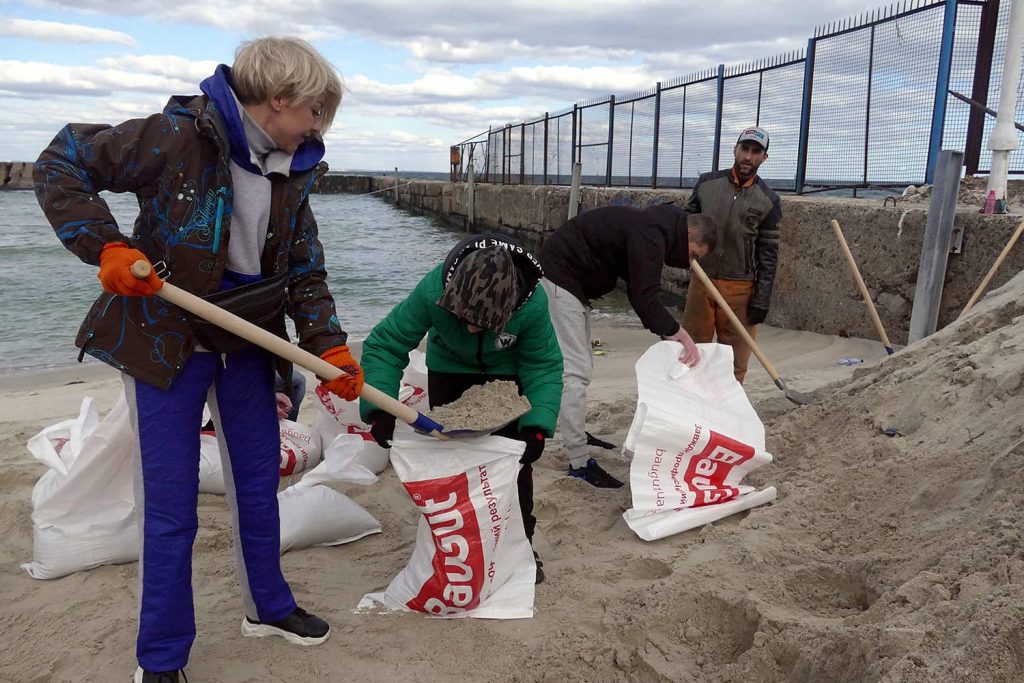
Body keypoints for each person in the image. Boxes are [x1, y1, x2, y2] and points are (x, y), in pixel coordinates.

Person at [33, 37, 363, 683]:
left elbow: (303, 267)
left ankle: (267, 608)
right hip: (165, 342)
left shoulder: (296, 170)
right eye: (316, 113)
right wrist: (104, 247)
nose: (319, 128)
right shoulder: (173, 136)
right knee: (169, 506)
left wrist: (328, 345)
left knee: (258, 487)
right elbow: (61, 159)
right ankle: (160, 658)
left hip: (248, 341)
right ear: (279, 98)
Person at [358, 233, 563, 583]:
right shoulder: (430, 291)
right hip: (449, 370)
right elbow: (386, 345)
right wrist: (380, 409)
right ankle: (460, 544)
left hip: (506, 374)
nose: (470, 328)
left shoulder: (532, 305)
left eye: (481, 324)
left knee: (516, 466)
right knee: (455, 463)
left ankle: (522, 545)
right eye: (463, 317)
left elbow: (542, 365)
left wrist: (537, 425)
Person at [538, 204, 717, 489]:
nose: (689, 262)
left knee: (583, 365)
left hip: (573, 283)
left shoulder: (656, 226)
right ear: (690, 231)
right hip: (560, 278)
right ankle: (579, 461)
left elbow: (640, 287)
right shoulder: (651, 233)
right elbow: (643, 296)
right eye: (694, 253)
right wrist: (677, 333)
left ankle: (578, 434)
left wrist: (668, 334)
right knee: (575, 371)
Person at [681, 125, 782, 383]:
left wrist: (762, 299)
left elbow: (768, 255)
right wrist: (685, 261)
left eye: (755, 152)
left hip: (740, 288)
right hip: (701, 281)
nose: (748, 156)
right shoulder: (706, 184)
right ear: (735, 150)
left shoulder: (768, 200)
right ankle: (692, 408)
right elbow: (682, 227)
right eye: (744, 149)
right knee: (692, 352)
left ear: (764, 158)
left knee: (734, 363)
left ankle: (727, 415)